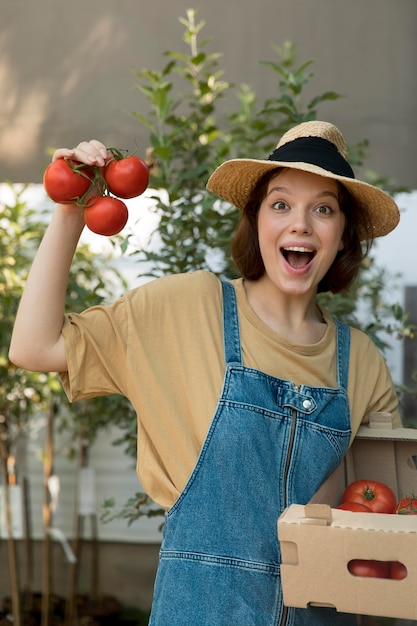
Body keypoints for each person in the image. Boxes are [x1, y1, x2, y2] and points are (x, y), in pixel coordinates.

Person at [9, 120, 402, 625]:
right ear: (255, 218)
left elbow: (370, 528)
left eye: (323, 209)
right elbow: (35, 346)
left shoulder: (364, 361)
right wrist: (71, 210)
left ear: (342, 233)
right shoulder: (185, 308)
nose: (300, 224)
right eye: (280, 204)